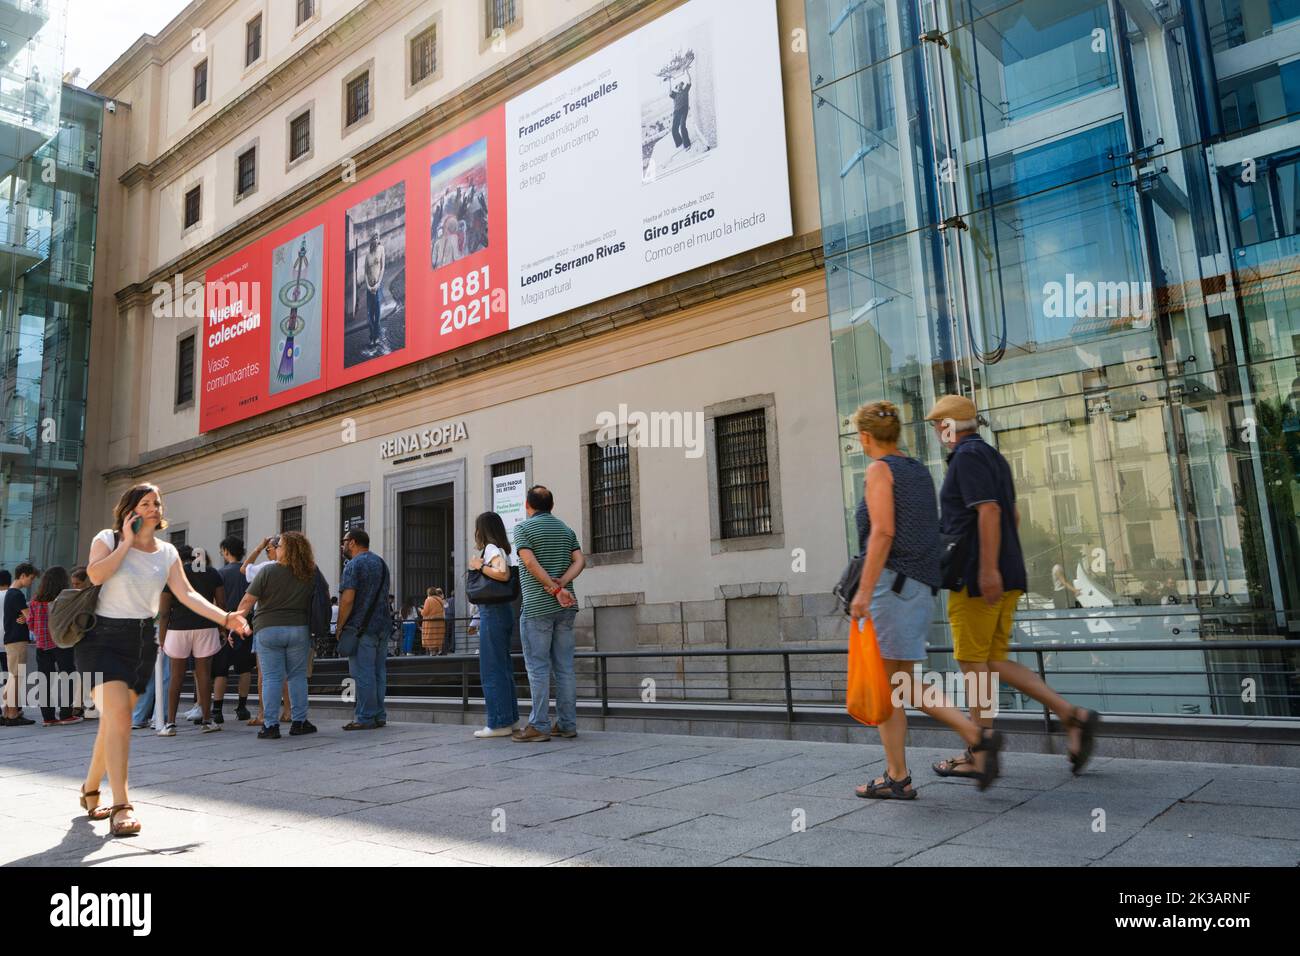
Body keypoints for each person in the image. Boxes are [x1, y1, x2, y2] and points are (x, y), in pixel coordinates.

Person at [925, 395, 1101, 779]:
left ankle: (979, 751)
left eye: (938, 424)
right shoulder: (992, 456)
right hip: (1005, 575)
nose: (937, 430)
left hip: (977, 579)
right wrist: (1001, 564)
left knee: (973, 664)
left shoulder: (967, 458)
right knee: (990, 662)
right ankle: (1072, 717)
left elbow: (989, 511)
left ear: (951, 425)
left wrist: (987, 569)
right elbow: (1012, 515)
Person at [846, 401, 1000, 798]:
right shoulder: (916, 470)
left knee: (896, 682)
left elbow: (882, 533)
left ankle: (974, 735)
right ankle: (897, 777)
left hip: (891, 587)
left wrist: (863, 591)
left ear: (865, 437)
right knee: (895, 685)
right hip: (917, 588)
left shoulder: (880, 470)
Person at [79, 483, 250, 836]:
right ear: (130, 511)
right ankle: (122, 805)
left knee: (114, 720)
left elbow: (186, 594)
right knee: (120, 716)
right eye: (146, 503)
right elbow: (95, 575)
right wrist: (126, 542)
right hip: (102, 637)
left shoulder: (167, 552)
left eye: (157, 502)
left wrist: (225, 617)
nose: (155, 508)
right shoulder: (107, 540)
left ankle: (90, 789)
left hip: (140, 638)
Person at [511, 486, 585, 742]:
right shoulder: (566, 529)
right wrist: (563, 584)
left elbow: (529, 563)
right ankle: (567, 723)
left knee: (538, 668)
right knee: (565, 668)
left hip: (537, 608)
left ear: (527, 505)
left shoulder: (522, 529)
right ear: (551, 506)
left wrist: (554, 589)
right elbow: (580, 561)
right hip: (566, 608)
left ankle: (539, 725)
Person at [235, 531, 320, 739]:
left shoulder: (268, 572)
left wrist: (235, 624)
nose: (276, 548)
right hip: (298, 629)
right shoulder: (309, 572)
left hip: (268, 629)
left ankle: (270, 725)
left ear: (288, 549)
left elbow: (247, 602)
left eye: (279, 545)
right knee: (297, 677)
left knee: (272, 678)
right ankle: (299, 722)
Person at [157, 544, 225, 736]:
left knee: (176, 676)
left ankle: (170, 724)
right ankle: (206, 720)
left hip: (178, 628)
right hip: (206, 626)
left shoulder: (172, 574)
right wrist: (222, 629)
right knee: (204, 674)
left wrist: (162, 637)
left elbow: (163, 612)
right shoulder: (212, 573)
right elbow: (221, 604)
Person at [467, 512, 520, 738]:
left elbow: (501, 574)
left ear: (482, 530)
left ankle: (498, 723)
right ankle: (510, 719)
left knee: (491, 668)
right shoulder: (501, 549)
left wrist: (478, 566)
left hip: (493, 612)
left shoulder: (490, 549)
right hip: (504, 610)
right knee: (503, 667)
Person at [336, 529, 391, 730]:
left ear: (352, 542)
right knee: (378, 672)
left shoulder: (353, 565)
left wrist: (340, 626)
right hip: (383, 625)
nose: (342, 545)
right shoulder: (381, 563)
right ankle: (379, 714)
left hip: (361, 627)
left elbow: (348, 599)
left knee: (362, 673)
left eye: (344, 542)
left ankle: (365, 717)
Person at [242, 536, 291, 726]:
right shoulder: (298, 568)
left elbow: (243, 568)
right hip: (292, 624)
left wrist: (259, 546)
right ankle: (289, 711)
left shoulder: (266, 568)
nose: (267, 552)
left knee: (265, 674)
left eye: (269, 549)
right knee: (287, 673)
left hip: (267, 624)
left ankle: (264, 714)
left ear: (277, 548)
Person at [30, 566, 81, 727]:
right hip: (62, 643)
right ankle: (66, 714)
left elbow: (30, 624)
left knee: (45, 680)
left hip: (42, 645)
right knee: (68, 677)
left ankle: (48, 717)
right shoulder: (65, 599)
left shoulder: (35, 601)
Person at [212, 537, 254, 723]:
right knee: (244, 669)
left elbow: (215, 603)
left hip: (224, 625)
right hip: (245, 625)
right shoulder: (248, 573)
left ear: (226, 551)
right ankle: (242, 707)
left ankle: (217, 710)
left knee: (221, 670)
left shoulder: (219, 574)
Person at [1, 563, 38, 726]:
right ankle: (13, 714)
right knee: (16, 677)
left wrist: (25, 617)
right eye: (30, 578)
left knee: (13, 676)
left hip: (11, 640)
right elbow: (30, 618)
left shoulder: (11, 593)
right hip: (17, 641)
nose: (31, 582)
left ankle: (8, 713)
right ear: (22, 575)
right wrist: (28, 617)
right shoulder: (17, 595)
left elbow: (25, 616)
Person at [363, 233, 386, 346]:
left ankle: (376, 336)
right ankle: (371, 336)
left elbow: (382, 268)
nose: (376, 240)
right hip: (369, 288)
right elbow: (366, 273)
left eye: (377, 238)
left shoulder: (381, 249)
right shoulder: (368, 255)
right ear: (371, 241)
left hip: (377, 286)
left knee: (377, 313)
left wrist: (378, 284)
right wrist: (367, 285)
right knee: (369, 314)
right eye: (374, 238)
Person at [420, 587, 446, 655]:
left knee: (430, 636)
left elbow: (425, 612)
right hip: (440, 622)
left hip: (431, 622)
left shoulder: (428, 600)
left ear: (428, 593)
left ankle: (432, 652)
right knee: (438, 636)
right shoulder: (440, 600)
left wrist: (421, 611)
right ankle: (439, 650)